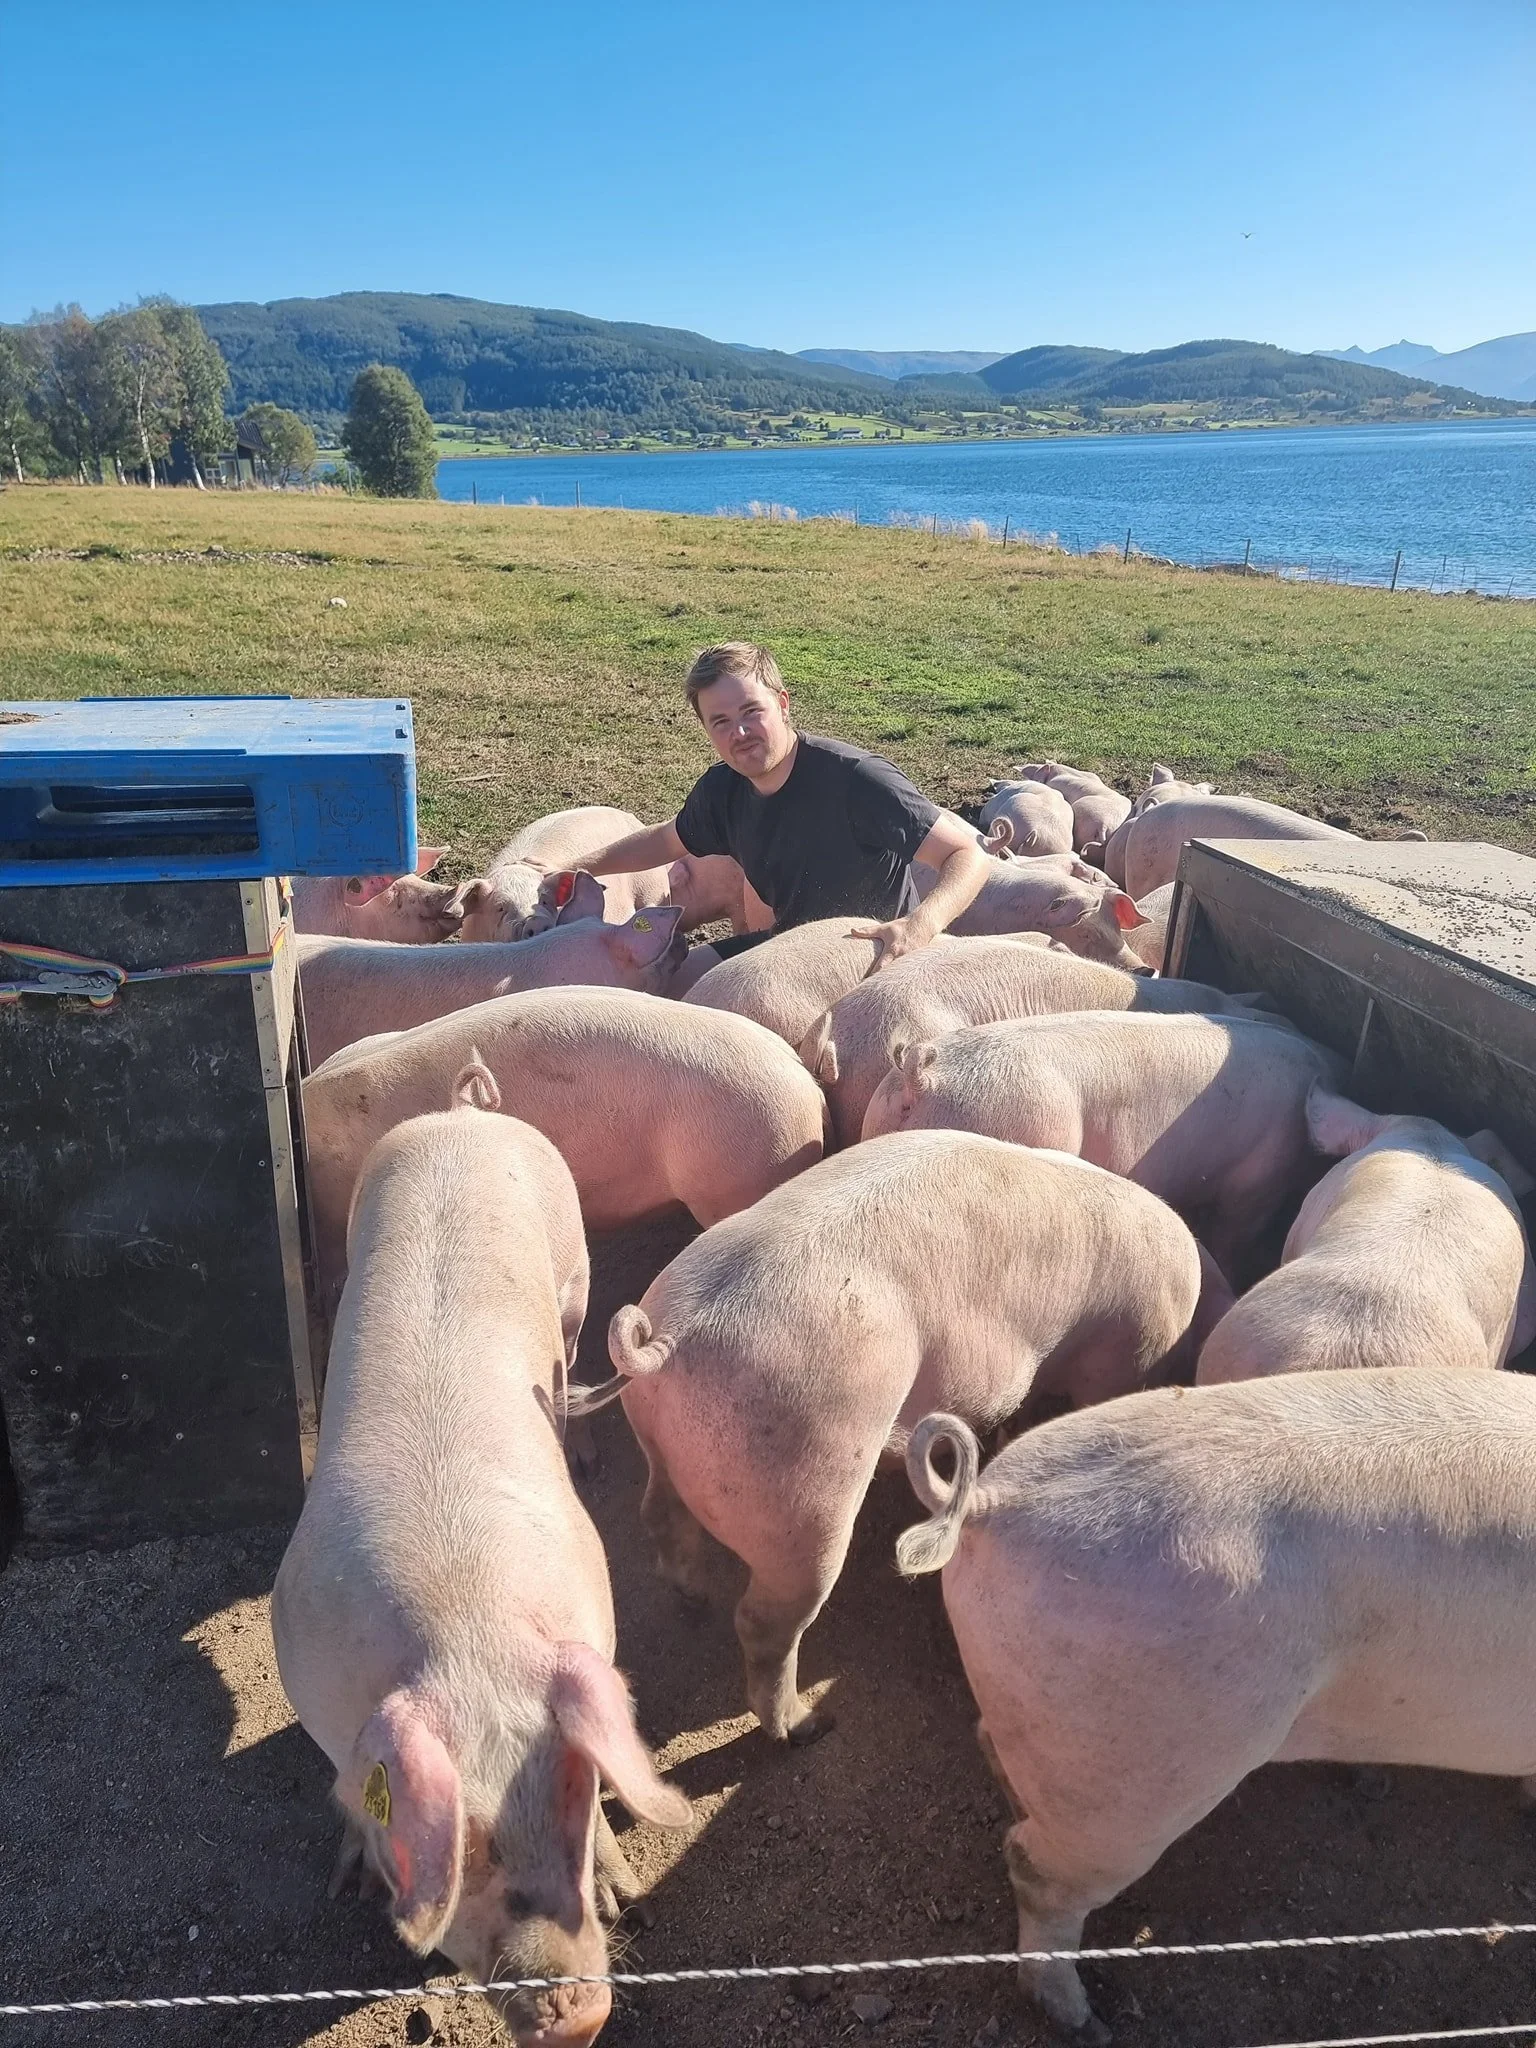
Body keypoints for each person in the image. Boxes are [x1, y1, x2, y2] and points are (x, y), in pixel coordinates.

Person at [583, 641, 991, 986]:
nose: (739, 733)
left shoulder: (859, 780)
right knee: (673, 983)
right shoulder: (723, 790)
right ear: (706, 730)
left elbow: (967, 854)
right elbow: (665, 841)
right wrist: (570, 867)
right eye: (720, 721)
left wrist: (919, 927)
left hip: (873, 953)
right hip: (788, 947)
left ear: (782, 704)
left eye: (750, 712)